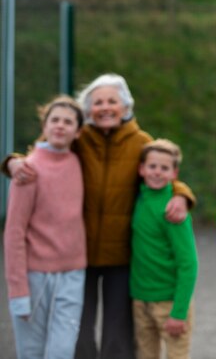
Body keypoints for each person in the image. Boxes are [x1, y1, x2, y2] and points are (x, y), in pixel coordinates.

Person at [2, 73, 196, 359]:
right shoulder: (80, 137)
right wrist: (11, 162)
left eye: (112, 101)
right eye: (98, 102)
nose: (105, 107)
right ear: (88, 109)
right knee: (77, 331)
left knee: (118, 335)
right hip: (82, 256)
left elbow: (161, 168)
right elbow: (42, 152)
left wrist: (181, 194)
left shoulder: (140, 141)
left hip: (122, 255)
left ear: (125, 107)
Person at [4, 95, 86, 359]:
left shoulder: (79, 163)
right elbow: (14, 233)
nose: (61, 126)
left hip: (73, 273)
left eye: (68, 121)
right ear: (45, 124)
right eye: (55, 120)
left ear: (78, 131)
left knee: (62, 350)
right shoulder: (27, 170)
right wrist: (18, 290)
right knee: (31, 352)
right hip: (34, 275)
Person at [130, 139, 198, 359]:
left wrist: (179, 312)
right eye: (152, 166)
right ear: (141, 169)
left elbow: (188, 264)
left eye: (164, 168)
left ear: (174, 173)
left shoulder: (175, 209)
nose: (157, 172)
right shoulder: (136, 198)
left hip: (170, 304)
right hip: (140, 301)